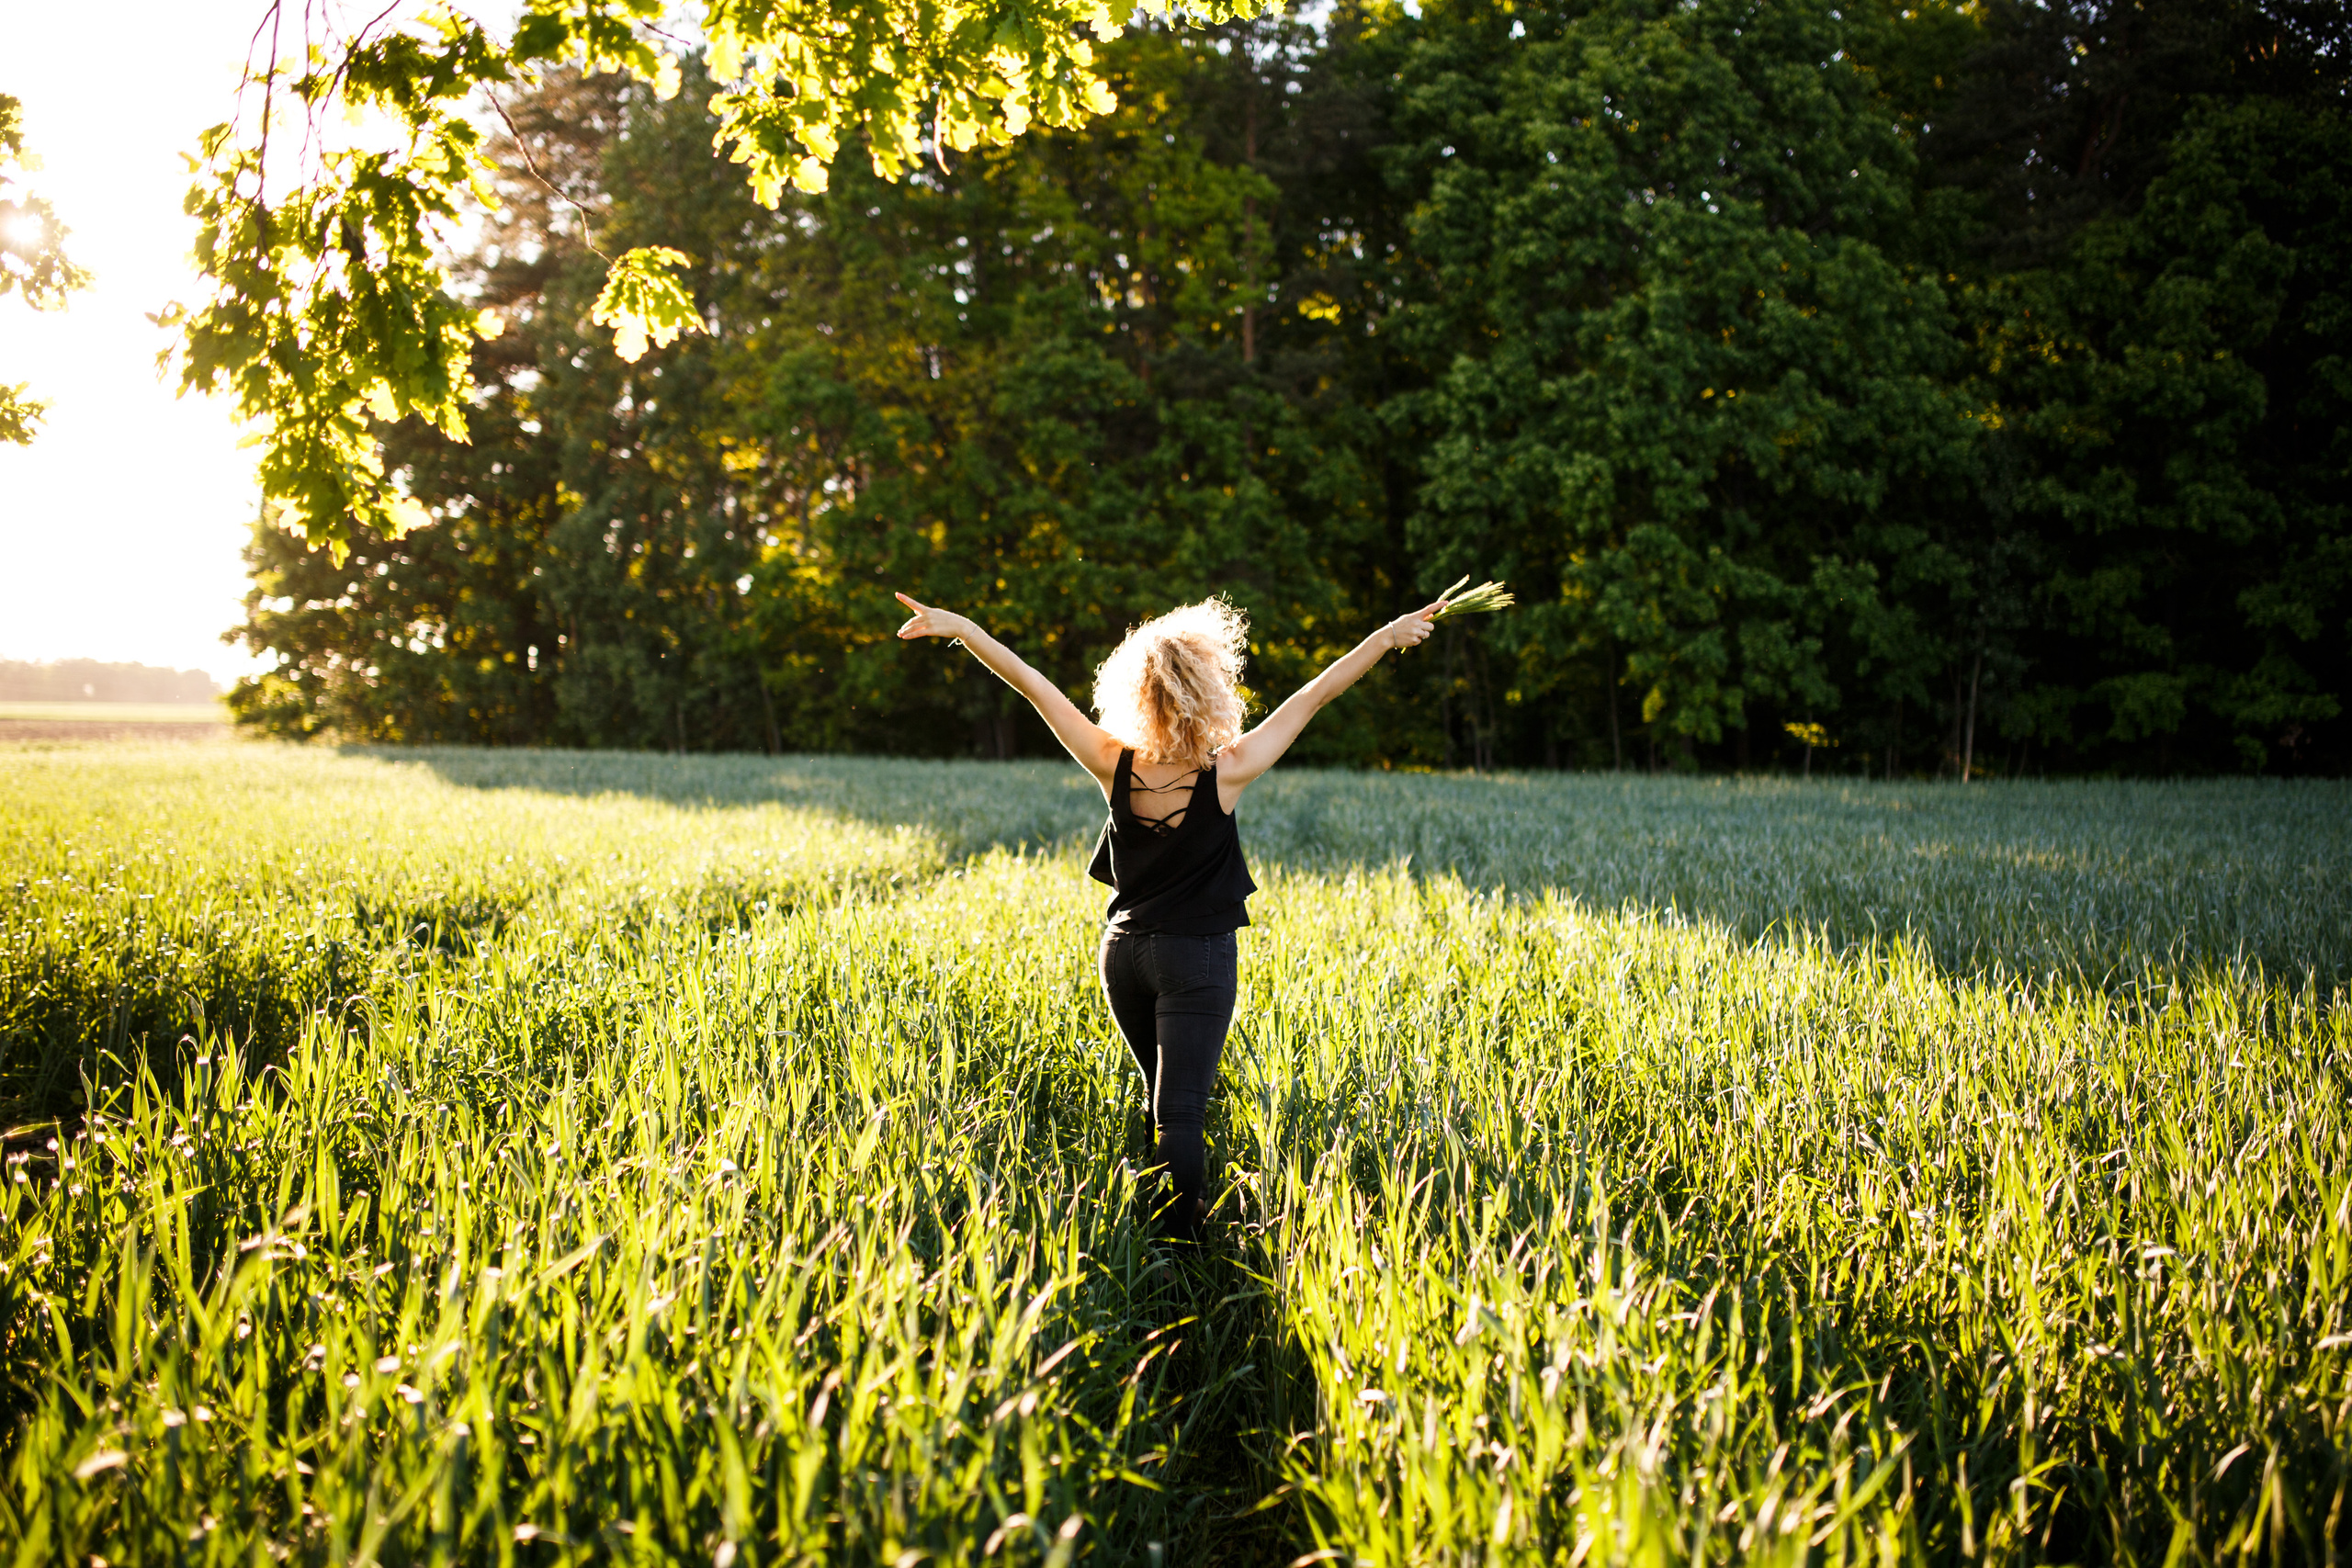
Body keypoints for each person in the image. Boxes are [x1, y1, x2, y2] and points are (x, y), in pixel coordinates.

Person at [893, 589, 1446, 1238]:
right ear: (1208, 689)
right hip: (1195, 958)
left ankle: (1150, 1239)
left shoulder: (1112, 763)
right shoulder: (1229, 770)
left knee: (1160, 1096)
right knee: (1180, 1113)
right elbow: (1314, 695)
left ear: (1138, 691)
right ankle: (1182, 1254)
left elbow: (1033, 685)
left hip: (1123, 956)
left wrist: (963, 628)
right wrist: (1384, 635)